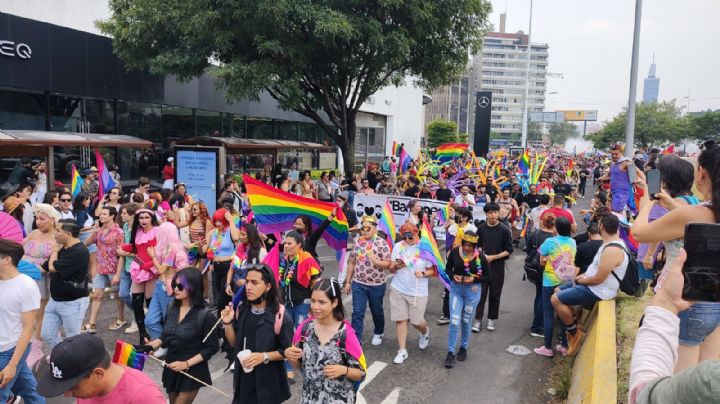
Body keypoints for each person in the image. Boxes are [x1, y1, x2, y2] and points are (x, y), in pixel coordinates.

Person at [632, 140, 720, 373]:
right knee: (707, 375)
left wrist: (645, 207)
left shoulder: (698, 212)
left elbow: (639, 233)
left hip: (689, 302)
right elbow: (693, 220)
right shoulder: (703, 210)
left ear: (701, 172)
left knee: (682, 380)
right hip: (715, 303)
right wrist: (671, 204)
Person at [628, 249, 719, 404]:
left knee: (687, 368)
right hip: (712, 303)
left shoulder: (710, 383)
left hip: (690, 301)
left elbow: (646, 397)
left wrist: (666, 303)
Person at [551, 214, 629, 356]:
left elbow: (598, 279)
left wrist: (582, 280)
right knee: (557, 290)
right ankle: (575, 321)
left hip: (598, 290)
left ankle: (574, 333)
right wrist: (582, 277)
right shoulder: (608, 242)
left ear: (601, 227)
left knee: (555, 299)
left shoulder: (612, 250)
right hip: (592, 284)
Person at [220, 264, 294, 404]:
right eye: (247, 281)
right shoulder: (241, 310)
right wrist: (228, 323)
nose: (248, 287)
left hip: (268, 386)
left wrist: (264, 356)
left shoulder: (280, 316)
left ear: (268, 286)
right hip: (243, 382)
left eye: (254, 283)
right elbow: (234, 343)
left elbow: (287, 352)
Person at [144, 268, 219, 404]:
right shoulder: (172, 306)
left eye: (180, 286)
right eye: (174, 285)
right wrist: (155, 343)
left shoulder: (205, 315)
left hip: (193, 368)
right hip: (172, 364)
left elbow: (212, 347)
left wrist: (186, 364)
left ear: (193, 287)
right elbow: (167, 334)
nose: (176, 289)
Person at [285, 279, 366, 403]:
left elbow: (361, 373)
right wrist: (290, 356)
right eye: (313, 301)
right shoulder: (304, 329)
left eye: (322, 302)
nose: (315, 307)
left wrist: (344, 370)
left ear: (334, 302)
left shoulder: (346, 334)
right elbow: (299, 366)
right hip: (309, 399)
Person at [37, 333, 165, 402]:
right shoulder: (88, 389)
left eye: (72, 386)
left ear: (98, 374)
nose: (67, 394)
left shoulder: (145, 397)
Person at [0, 239, 43, 404]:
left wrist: (12, 364)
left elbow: (27, 328)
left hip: (10, 348)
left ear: (7, 259)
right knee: (29, 390)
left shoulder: (26, 285)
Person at [386, 223, 434, 364]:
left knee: (416, 321)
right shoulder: (398, 246)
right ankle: (402, 351)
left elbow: (432, 270)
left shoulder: (424, 248)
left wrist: (424, 273)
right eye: (405, 237)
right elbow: (391, 269)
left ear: (416, 233)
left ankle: (424, 332)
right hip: (398, 288)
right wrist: (395, 266)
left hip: (417, 291)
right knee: (401, 319)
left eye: (410, 237)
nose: (407, 240)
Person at [40, 219, 91, 351]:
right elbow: (44, 267)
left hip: (73, 302)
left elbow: (52, 268)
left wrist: (54, 252)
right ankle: (61, 358)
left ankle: (76, 366)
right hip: (55, 299)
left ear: (68, 233)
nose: (55, 234)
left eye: (58, 230)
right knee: (47, 335)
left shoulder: (79, 251)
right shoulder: (63, 248)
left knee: (73, 339)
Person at [342, 216, 391, 346]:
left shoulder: (381, 243)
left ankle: (379, 331)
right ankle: (355, 340)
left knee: (376, 310)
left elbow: (388, 264)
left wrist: (377, 261)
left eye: (368, 228)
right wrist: (347, 282)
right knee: (357, 312)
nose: (364, 231)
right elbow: (352, 262)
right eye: (362, 228)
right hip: (358, 283)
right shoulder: (358, 242)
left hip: (376, 285)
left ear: (375, 228)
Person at [443, 232, 489, 368]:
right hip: (456, 290)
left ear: (475, 246)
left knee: (466, 320)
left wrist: (474, 279)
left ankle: (463, 347)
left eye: (470, 245)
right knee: (455, 320)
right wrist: (453, 276)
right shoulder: (455, 252)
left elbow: (488, 277)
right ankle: (450, 352)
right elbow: (447, 269)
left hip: (472, 292)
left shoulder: (480, 257)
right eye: (465, 245)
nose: (467, 248)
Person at [144, 222, 189, 358]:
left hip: (169, 288)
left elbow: (162, 269)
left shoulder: (172, 249)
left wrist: (152, 256)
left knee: (169, 320)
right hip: (160, 285)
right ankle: (165, 344)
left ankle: (168, 346)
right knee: (150, 320)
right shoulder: (167, 248)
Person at [533, 216, 576, 358]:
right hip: (566, 282)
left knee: (548, 314)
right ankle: (563, 345)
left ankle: (547, 347)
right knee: (563, 313)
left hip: (549, 281)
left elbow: (541, 261)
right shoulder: (572, 242)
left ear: (556, 228)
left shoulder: (550, 242)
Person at [23, 204, 60, 353]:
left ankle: (37, 348)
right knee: (26, 314)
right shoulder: (33, 233)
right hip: (25, 279)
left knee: (40, 314)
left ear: (52, 219)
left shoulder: (58, 236)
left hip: (44, 280)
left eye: (42, 218)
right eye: (36, 218)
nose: (38, 221)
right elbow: (19, 247)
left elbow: (54, 264)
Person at [81, 206, 124, 334]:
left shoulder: (119, 232)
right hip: (100, 267)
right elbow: (86, 244)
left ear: (112, 216)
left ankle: (121, 318)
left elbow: (121, 254)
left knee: (117, 295)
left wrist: (117, 274)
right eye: (101, 214)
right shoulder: (99, 231)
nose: (101, 215)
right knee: (98, 295)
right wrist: (93, 232)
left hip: (113, 267)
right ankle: (92, 323)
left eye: (104, 214)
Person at [119, 209, 159, 343]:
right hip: (138, 267)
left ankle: (155, 335)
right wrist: (125, 247)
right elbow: (136, 248)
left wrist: (151, 265)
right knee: (136, 303)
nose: (143, 220)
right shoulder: (137, 232)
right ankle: (143, 335)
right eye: (141, 218)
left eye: (146, 217)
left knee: (151, 302)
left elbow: (163, 250)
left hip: (152, 268)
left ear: (152, 218)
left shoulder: (158, 231)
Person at [473, 203, 513, 332]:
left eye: (495, 212)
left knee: (495, 293)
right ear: (486, 214)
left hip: (498, 266)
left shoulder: (504, 230)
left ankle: (491, 319)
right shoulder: (481, 228)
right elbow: (477, 245)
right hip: (482, 266)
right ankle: (477, 320)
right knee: (480, 294)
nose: (493, 215)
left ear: (498, 213)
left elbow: (509, 250)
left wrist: (493, 257)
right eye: (490, 212)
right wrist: (481, 253)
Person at [526, 213, 557, 338]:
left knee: (539, 295)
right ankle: (538, 326)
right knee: (544, 298)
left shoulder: (535, 233)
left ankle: (538, 321)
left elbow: (528, 249)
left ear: (542, 221)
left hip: (535, 268)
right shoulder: (553, 238)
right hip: (548, 269)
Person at [205, 208, 241, 313]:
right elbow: (204, 249)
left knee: (223, 295)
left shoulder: (231, 230)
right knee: (218, 294)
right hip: (216, 266)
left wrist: (230, 220)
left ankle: (222, 320)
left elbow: (236, 238)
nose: (217, 223)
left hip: (228, 266)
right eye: (215, 220)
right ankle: (227, 316)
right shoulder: (213, 232)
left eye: (220, 220)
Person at [115, 203, 139, 335]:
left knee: (134, 295)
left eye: (124, 213)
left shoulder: (138, 229)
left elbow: (140, 251)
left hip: (136, 266)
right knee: (123, 294)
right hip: (126, 266)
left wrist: (125, 253)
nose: (121, 215)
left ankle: (136, 321)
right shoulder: (124, 226)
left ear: (132, 215)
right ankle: (140, 311)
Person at [225, 223, 267, 297]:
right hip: (236, 290)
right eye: (240, 234)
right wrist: (228, 284)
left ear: (251, 235)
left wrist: (247, 281)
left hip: (251, 291)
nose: (240, 237)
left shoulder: (260, 251)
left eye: (243, 234)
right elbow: (231, 268)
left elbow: (264, 273)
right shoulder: (238, 249)